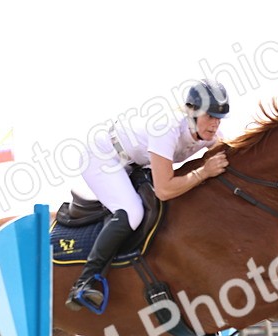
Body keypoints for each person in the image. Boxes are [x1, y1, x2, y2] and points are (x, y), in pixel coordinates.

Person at [66, 80, 232, 311]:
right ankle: (86, 282)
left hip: (136, 162)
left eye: (219, 118)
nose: (215, 124)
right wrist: (203, 172)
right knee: (133, 212)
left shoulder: (213, 134)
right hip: (103, 157)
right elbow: (165, 190)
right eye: (210, 116)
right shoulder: (167, 127)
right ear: (192, 112)